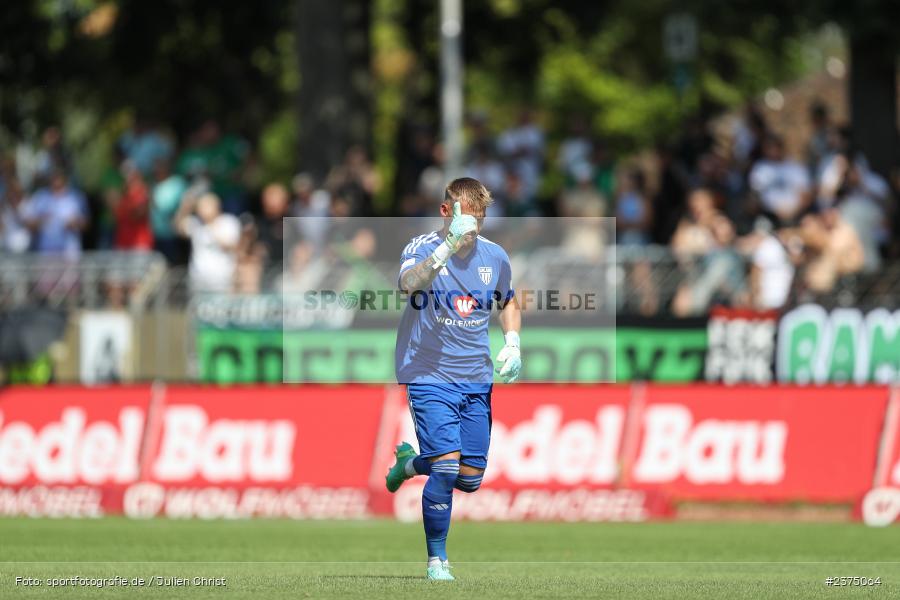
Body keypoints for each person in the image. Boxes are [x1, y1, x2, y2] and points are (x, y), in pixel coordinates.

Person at [385, 177, 522, 581]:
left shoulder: (494, 256)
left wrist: (513, 342)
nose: (472, 229)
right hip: (428, 373)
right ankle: (437, 561)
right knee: (446, 468)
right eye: (466, 219)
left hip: (476, 377)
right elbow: (407, 285)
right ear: (447, 212)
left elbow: (508, 300)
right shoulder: (422, 247)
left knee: (470, 478)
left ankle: (410, 464)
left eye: (479, 220)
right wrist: (446, 248)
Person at [174, 191, 241, 293]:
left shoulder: (229, 222)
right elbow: (179, 228)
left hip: (223, 279)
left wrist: (211, 225)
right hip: (199, 279)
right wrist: (185, 208)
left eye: (205, 206)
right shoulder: (196, 223)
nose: (201, 210)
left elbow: (231, 246)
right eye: (200, 207)